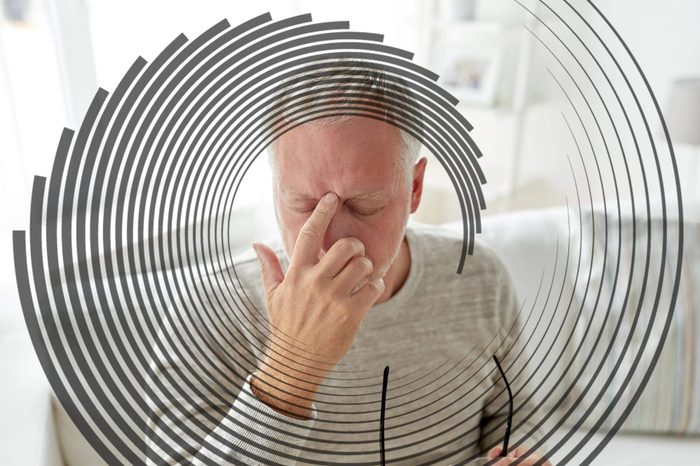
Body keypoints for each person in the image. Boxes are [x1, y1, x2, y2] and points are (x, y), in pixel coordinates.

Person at [146, 64, 552, 465]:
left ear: (414, 188)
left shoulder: (480, 276)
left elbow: (513, 419)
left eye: (363, 205)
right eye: (301, 203)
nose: (327, 244)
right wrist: (292, 368)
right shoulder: (209, 307)